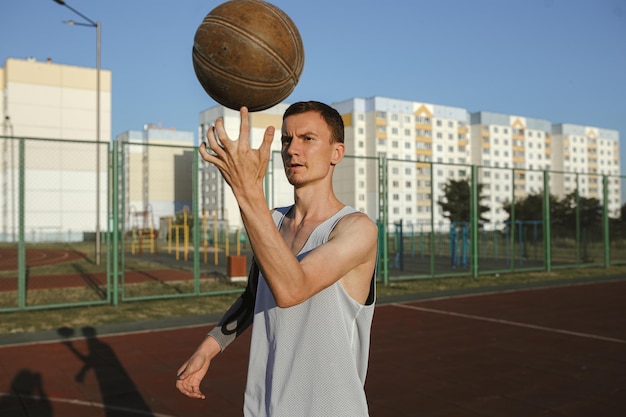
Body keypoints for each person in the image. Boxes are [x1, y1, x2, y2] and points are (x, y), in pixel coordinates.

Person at [176, 101, 378, 416]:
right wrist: (209, 347)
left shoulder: (357, 229)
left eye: (307, 139)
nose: (292, 150)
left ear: (336, 153)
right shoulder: (271, 221)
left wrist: (247, 190)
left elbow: (290, 290)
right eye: (286, 140)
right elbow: (256, 296)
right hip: (266, 406)